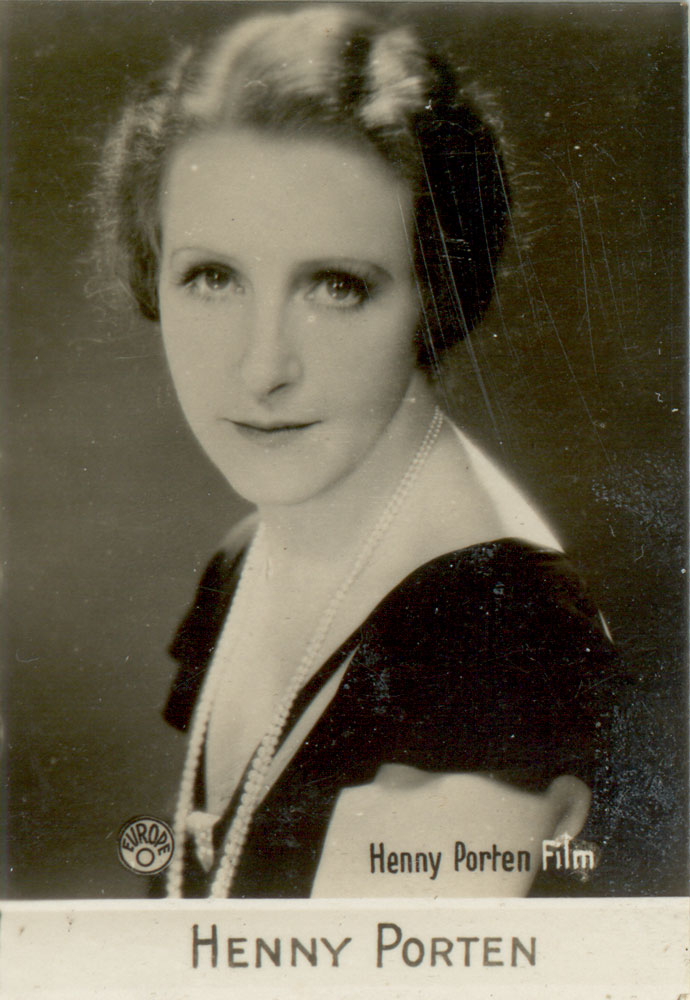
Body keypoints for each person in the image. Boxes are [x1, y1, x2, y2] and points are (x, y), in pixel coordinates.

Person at [96, 5, 624, 899]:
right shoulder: (249, 556)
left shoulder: (491, 636)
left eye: (336, 287)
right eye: (212, 277)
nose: (262, 367)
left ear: (435, 292)